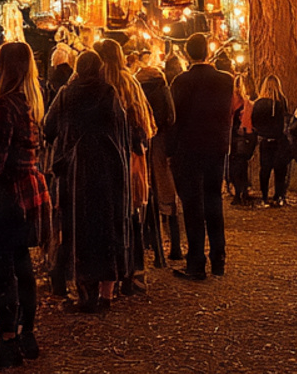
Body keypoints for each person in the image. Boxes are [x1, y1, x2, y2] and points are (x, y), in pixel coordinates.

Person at [0, 41, 50, 369]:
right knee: (22, 266)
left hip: (7, 196)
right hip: (27, 191)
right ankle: (26, 334)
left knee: (4, 269)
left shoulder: (4, 104)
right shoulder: (29, 101)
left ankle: (7, 342)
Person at [44, 50, 130, 311]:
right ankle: (106, 294)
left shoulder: (66, 95)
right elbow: (122, 129)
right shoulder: (110, 93)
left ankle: (85, 294)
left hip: (75, 171)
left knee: (78, 229)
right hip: (107, 168)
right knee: (107, 226)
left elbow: (48, 128)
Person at [168, 33, 235, 280]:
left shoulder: (181, 81)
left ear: (187, 54)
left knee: (193, 205)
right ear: (208, 52)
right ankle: (219, 257)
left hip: (189, 148)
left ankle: (196, 261)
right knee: (213, 200)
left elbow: (175, 118)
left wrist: (170, 150)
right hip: (216, 147)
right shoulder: (225, 81)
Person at [99, 38, 157, 292]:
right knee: (132, 214)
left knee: (109, 215)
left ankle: (111, 274)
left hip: (107, 157)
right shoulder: (129, 83)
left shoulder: (99, 85)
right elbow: (145, 123)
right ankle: (134, 272)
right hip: (133, 155)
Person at [136, 50, 181, 259]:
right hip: (161, 143)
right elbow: (172, 117)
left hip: (142, 144)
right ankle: (175, 246)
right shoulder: (163, 88)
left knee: (145, 191)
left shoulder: (136, 89)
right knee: (167, 193)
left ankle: (148, 241)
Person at [251, 75, 291, 207]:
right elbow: (285, 120)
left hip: (264, 139)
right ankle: (279, 196)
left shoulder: (259, 103)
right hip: (279, 139)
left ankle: (264, 197)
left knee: (265, 169)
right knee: (280, 169)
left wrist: (260, 132)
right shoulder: (282, 102)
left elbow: (254, 121)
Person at [227, 76, 257, 205]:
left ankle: (239, 192)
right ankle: (242, 190)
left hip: (237, 136)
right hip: (242, 137)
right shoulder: (247, 103)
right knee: (240, 165)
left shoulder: (236, 102)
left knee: (236, 165)